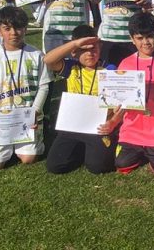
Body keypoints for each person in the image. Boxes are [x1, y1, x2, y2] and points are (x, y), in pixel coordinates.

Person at [0, 6, 52, 170]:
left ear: (25, 29)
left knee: (28, 158)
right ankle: (4, 145)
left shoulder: (36, 55)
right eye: (7, 28)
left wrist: (35, 111)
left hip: (27, 118)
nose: (14, 33)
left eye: (18, 28)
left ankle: (36, 136)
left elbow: (44, 86)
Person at [43, 25, 120, 174]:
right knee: (55, 166)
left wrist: (113, 121)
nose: (89, 53)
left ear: (100, 47)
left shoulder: (109, 69)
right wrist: (74, 44)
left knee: (98, 167)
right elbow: (48, 60)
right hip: (73, 125)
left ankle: (95, 148)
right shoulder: (71, 67)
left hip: (98, 127)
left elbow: (121, 102)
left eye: (93, 48)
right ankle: (82, 149)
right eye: (83, 49)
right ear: (74, 51)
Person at [113, 11, 154, 174]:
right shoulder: (125, 64)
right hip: (133, 129)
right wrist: (116, 107)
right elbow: (119, 96)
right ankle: (141, 151)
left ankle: (152, 152)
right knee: (121, 164)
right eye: (140, 38)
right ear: (132, 39)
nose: (146, 42)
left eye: (149, 37)